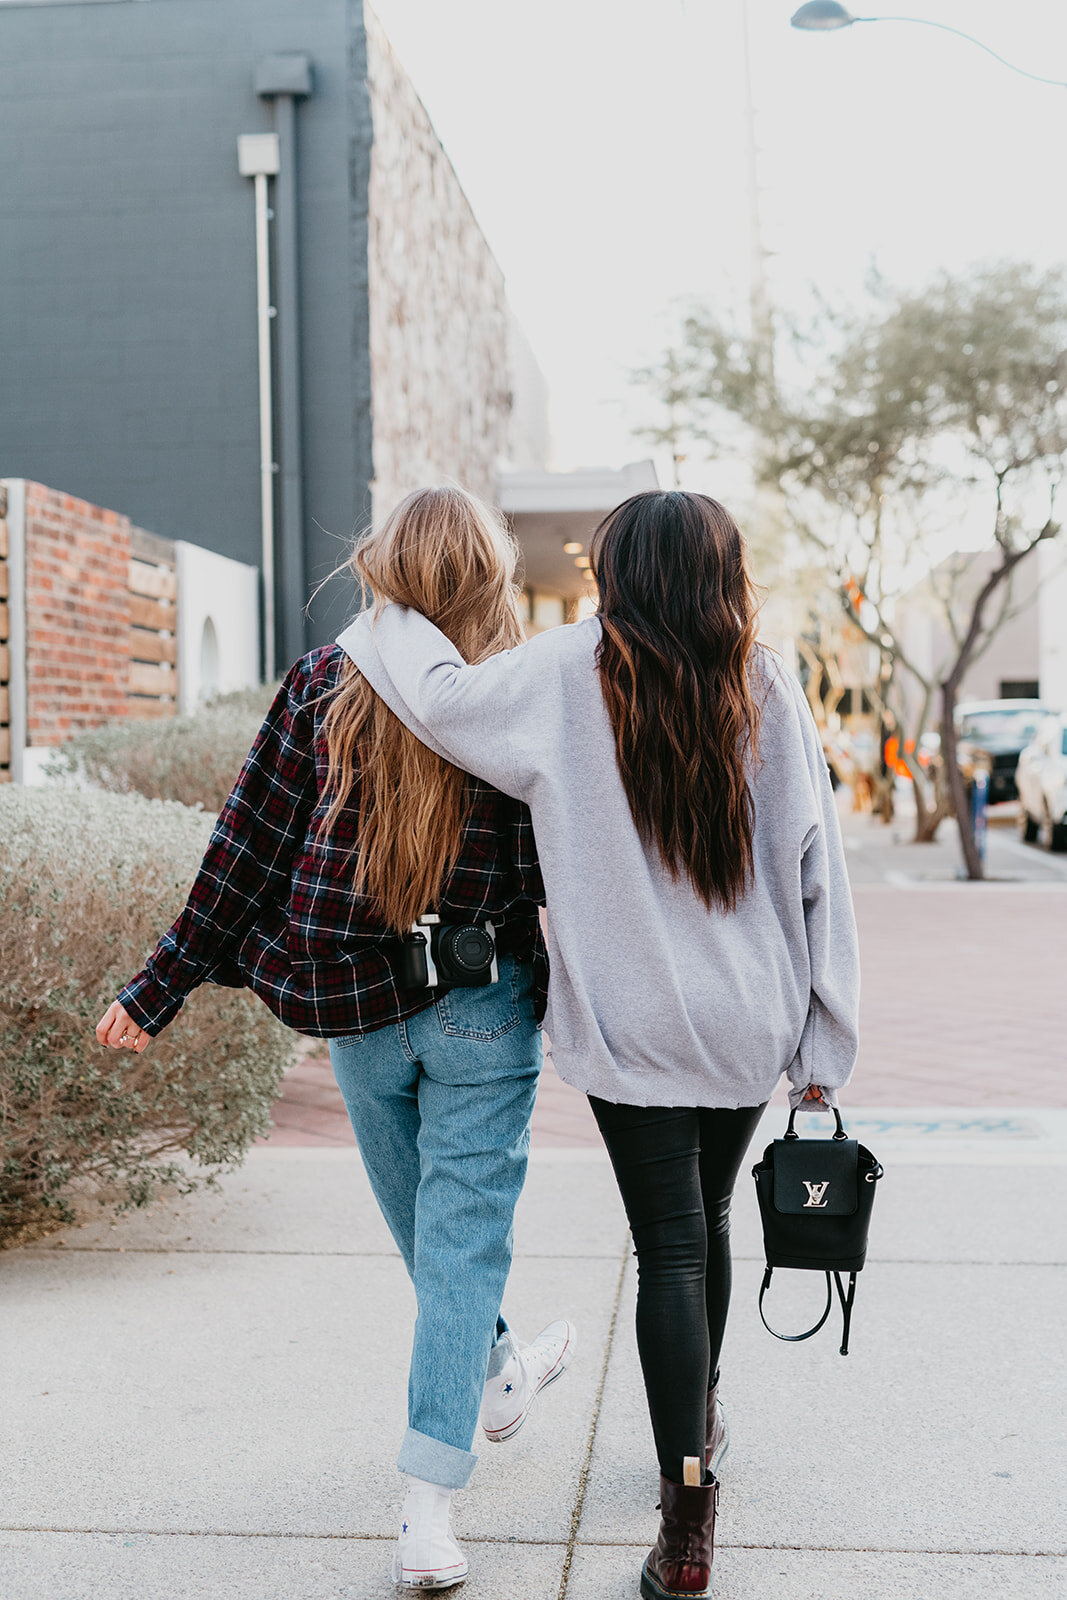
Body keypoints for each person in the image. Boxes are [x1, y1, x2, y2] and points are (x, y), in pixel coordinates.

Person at [339, 488, 860, 1600]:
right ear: (724, 576)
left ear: (612, 572)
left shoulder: (566, 670)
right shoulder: (765, 682)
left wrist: (386, 604)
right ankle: (697, 1433)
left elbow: (435, 701)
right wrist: (826, 1036)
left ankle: (686, 1529)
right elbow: (822, 871)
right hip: (747, 1018)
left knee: (668, 1243)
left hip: (632, 1021)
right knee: (702, 1223)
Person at [96, 487, 576, 1592]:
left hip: (355, 1006)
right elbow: (577, 864)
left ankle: (439, 1469)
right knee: (451, 1245)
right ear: (489, 580)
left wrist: (158, 986)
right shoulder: (515, 691)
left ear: (387, 569)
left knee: (435, 1239)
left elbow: (243, 851)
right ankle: (459, 1448)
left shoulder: (325, 682)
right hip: (479, 1004)